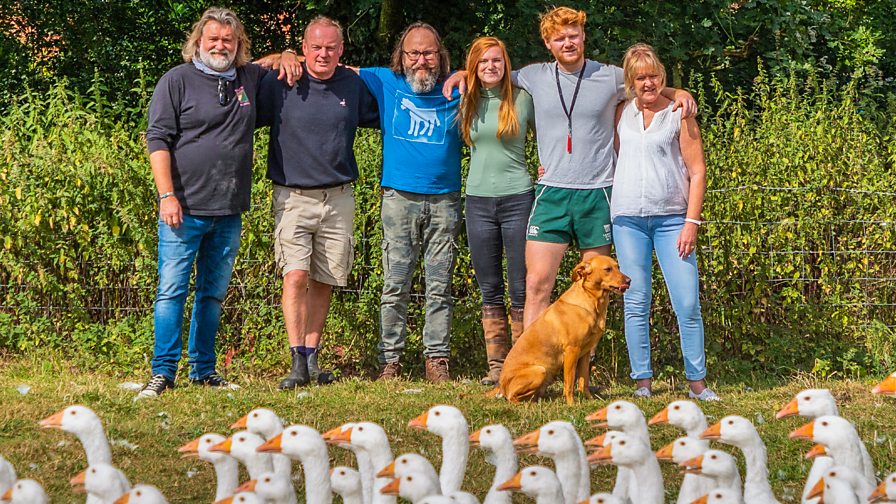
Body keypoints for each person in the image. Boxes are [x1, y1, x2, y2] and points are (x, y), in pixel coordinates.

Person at [443, 7, 696, 331]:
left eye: (573, 35)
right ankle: (530, 369)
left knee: (595, 289)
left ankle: (583, 374)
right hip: (553, 193)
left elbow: (648, 84)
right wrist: (462, 74)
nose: (568, 42)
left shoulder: (610, 76)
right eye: (559, 38)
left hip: (597, 193)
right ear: (548, 43)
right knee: (536, 284)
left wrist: (678, 92)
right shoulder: (533, 76)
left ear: (583, 36)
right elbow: (491, 74)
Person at [139, 7, 299, 399]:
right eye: (212, 39)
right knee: (172, 292)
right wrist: (166, 196)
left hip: (228, 210)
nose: (220, 46)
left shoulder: (248, 77)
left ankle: (204, 370)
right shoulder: (175, 81)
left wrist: (291, 53)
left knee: (211, 294)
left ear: (238, 45)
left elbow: (276, 61)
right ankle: (163, 372)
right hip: (183, 208)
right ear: (198, 42)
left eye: (228, 40)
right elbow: (157, 140)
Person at [256, 16, 379, 390]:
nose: (323, 53)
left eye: (331, 47)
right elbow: (245, 69)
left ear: (341, 51)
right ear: (305, 47)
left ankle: (311, 358)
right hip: (293, 196)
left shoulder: (352, 84)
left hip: (338, 197)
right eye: (315, 46)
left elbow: (396, 91)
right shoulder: (281, 80)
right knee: (294, 275)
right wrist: (282, 53)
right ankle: (295, 359)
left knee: (325, 279)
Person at [611, 43, 717, 400]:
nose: (648, 83)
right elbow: (609, 154)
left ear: (662, 77)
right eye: (640, 77)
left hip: (673, 218)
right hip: (627, 219)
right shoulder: (621, 112)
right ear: (630, 81)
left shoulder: (679, 113)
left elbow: (698, 171)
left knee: (686, 301)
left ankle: (697, 382)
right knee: (636, 301)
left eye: (653, 75)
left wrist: (692, 222)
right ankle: (642, 381)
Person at [358, 22, 462, 382]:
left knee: (440, 283)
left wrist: (468, 71)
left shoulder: (458, 89)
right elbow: (327, 65)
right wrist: (287, 56)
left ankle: (436, 359)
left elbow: (502, 75)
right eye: (414, 53)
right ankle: (390, 361)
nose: (422, 60)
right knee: (395, 282)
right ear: (401, 57)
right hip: (399, 197)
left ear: (441, 55)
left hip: (445, 198)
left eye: (429, 53)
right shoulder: (385, 80)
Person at [457, 36, 535, 386]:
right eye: (484, 61)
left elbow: (552, 132)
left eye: (497, 61)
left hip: (518, 198)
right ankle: (496, 367)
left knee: (521, 286)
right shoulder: (466, 100)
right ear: (474, 66)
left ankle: (521, 364)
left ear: (506, 65)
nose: (491, 66)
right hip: (477, 200)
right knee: (489, 287)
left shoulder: (523, 98)